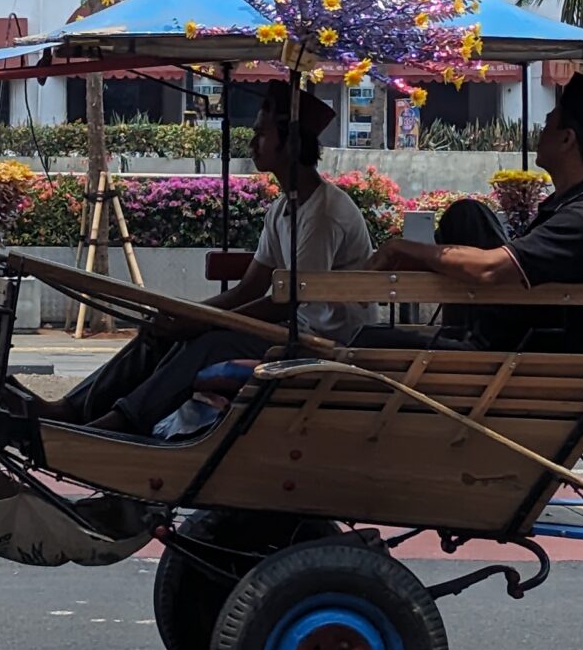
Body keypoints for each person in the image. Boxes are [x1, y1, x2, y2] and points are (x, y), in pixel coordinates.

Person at [50, 92, 373, 435]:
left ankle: (121, 423)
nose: (253, 143)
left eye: (262, 133)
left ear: (292, 144)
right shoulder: (282, 209)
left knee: (210, 344)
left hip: (320, 340)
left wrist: (203, 325)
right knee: (159, 333)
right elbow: (249, 288)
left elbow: (289, 300)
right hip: (289, 331)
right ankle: (75, 409)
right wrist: (189, 316)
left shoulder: (323, 213)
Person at [374, 73, 583, 352]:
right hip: (508, 343)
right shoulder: (569, 207)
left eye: (548, 123)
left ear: (566, 140)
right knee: (467, 214)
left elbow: (489, 268)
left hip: (519, 358)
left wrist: (401, 249)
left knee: (367, 343)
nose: (539, 132)